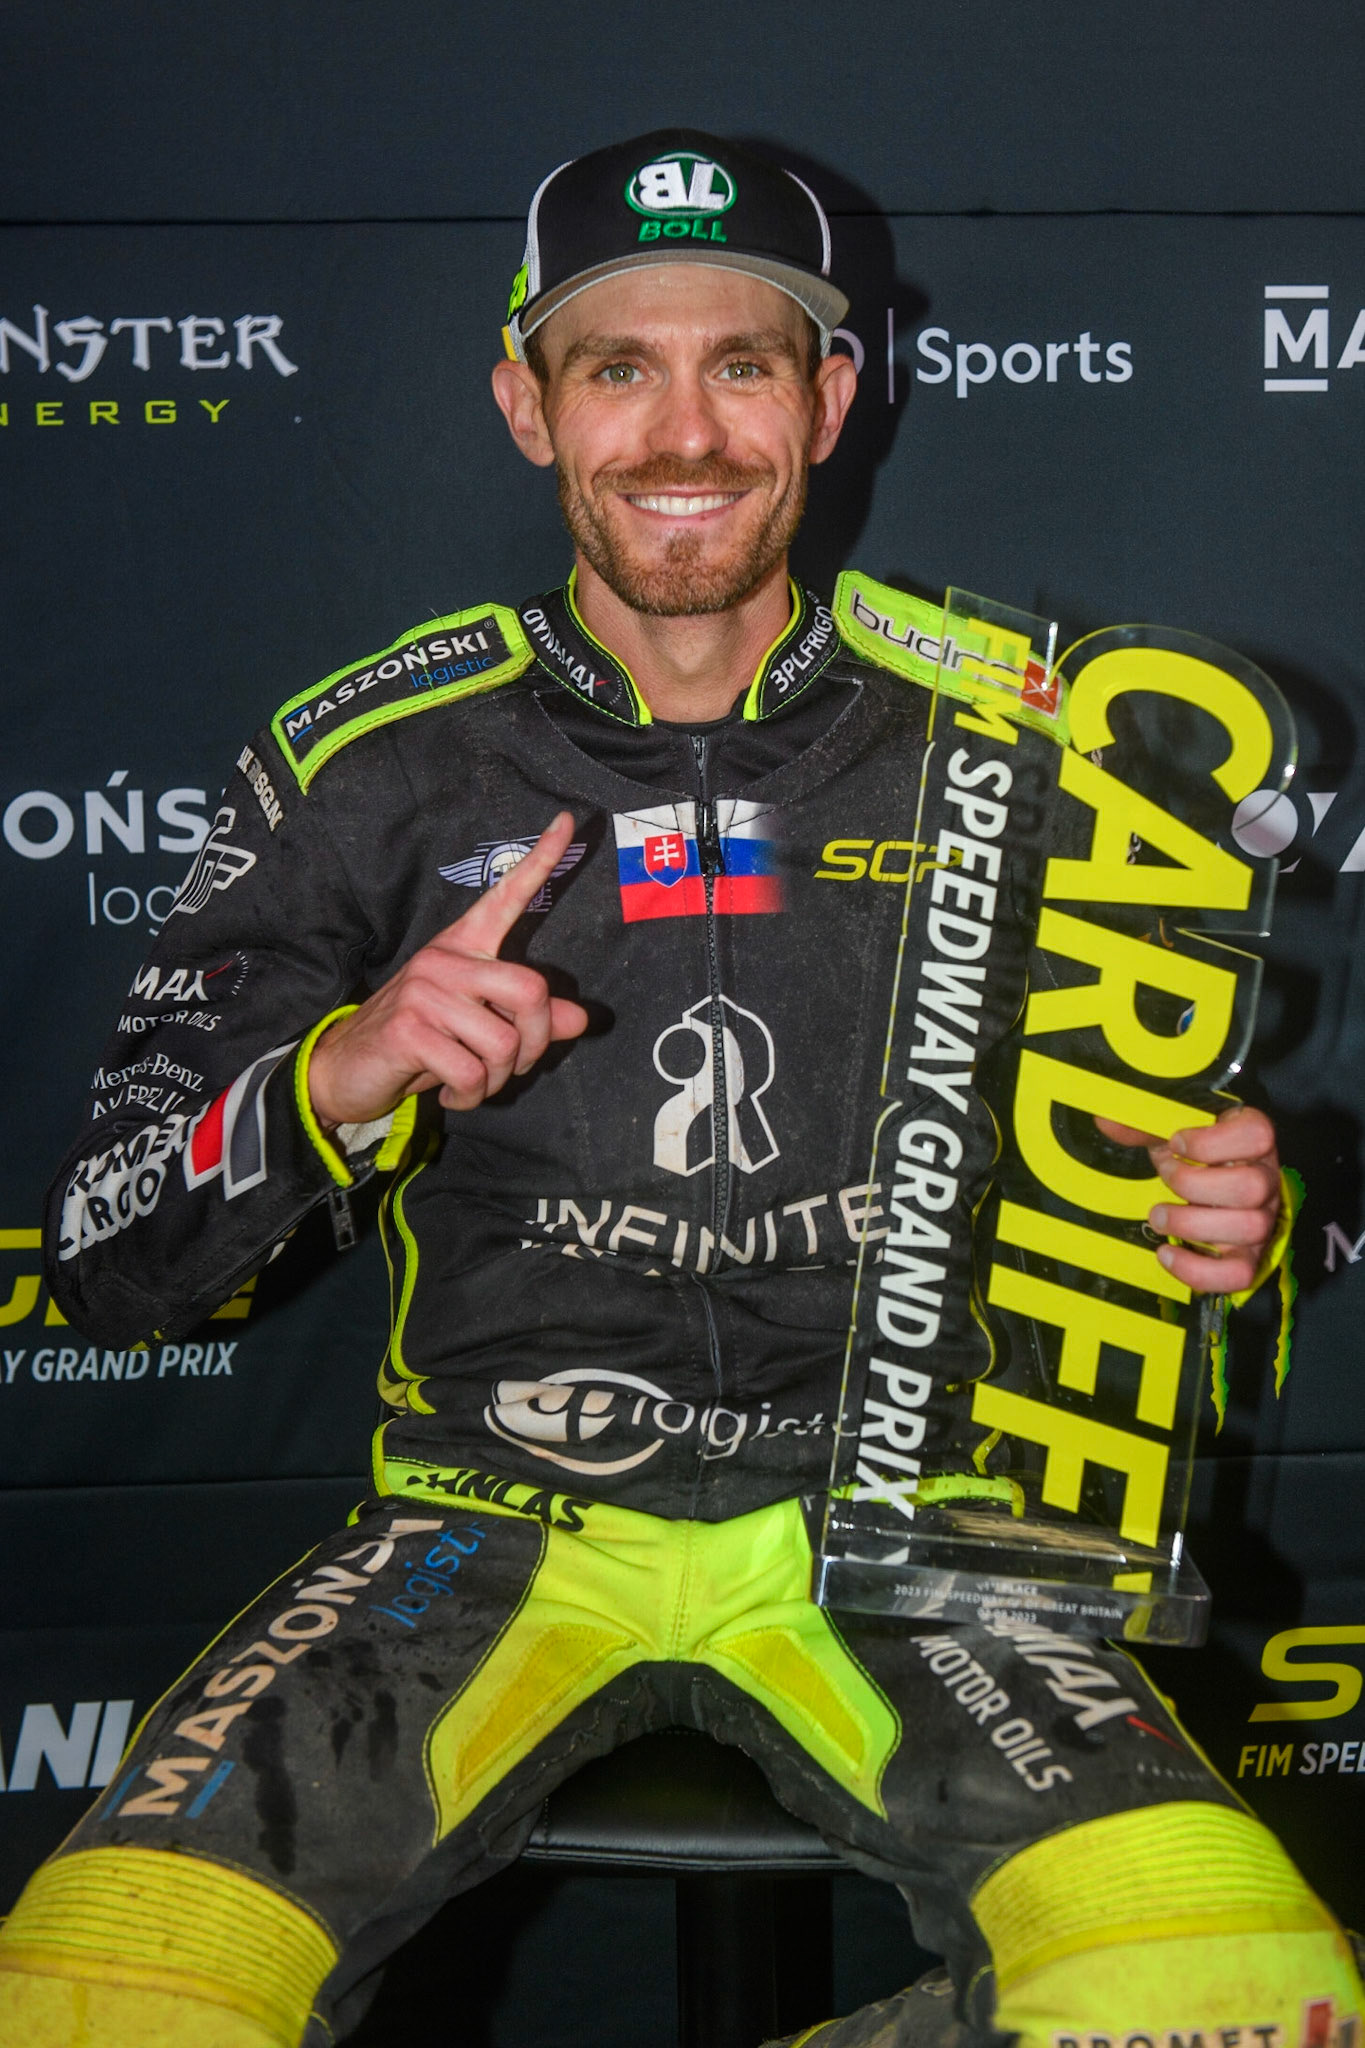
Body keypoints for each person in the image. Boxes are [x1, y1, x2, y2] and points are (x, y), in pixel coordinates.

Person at [0, 129, 1358, 2048]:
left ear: (830, 396)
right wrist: (345, 1066)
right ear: (524, 408)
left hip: (904, 1520)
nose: (683, 431)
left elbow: (1199, 1187)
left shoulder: (1032, 737)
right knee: (90, 2003)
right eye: (616, 368)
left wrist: (1240, 1216)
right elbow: (109, 1258)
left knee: (1242, 1997)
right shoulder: (375, 762)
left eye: (742, 362)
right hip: (486, 1523)